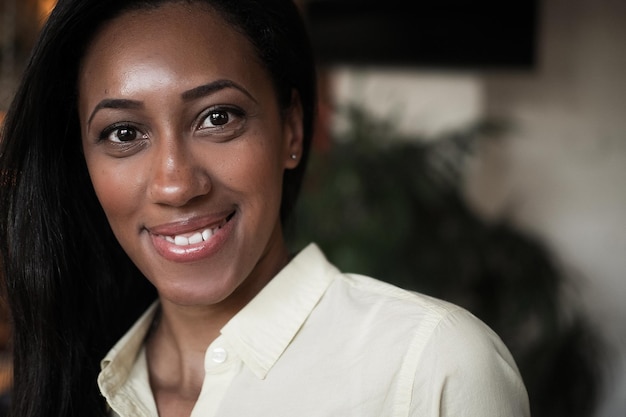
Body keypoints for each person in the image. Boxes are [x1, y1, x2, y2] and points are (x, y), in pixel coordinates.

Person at [0, 0, 531, 416]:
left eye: (218, 118)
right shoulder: (71, 381)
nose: (176, 184)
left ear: (292, 130)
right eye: (123, 132)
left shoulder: (430, 367)